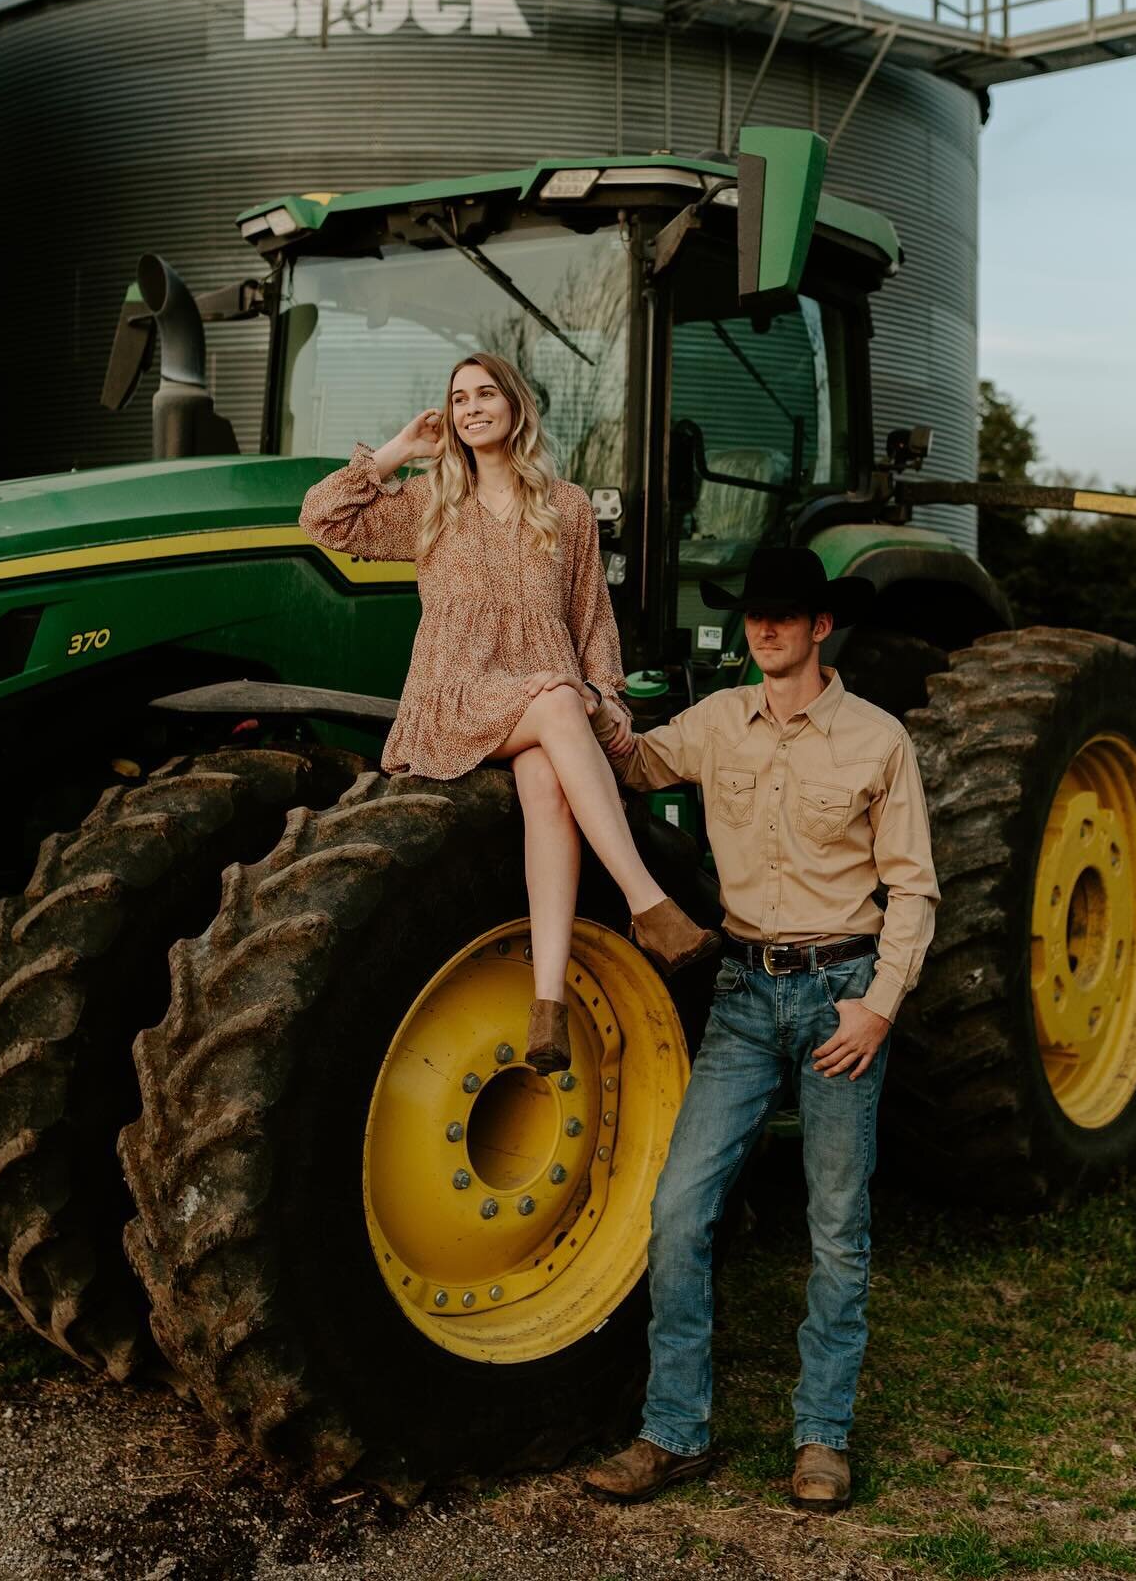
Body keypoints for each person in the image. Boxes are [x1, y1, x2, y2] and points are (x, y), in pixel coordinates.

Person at [581, 546, 938, 1513]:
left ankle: (822, 1438)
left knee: (836, 1226)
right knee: (677, 1212)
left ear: (823, 626)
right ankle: (675, 1431)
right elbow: (630, 757)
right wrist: (565, 693)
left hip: (842, 997)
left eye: (784, 617)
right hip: (743, 994)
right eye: (754, 618)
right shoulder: (714, 726)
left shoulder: (878, 741)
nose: (765, 631)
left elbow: (913, 889)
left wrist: (878, 1007)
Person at [298, 350, 720, 1075]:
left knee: (548, 786)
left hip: (539, 701)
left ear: (515, 406)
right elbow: (322, 520)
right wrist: (401, 448)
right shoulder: (432, 503)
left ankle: (547, 1005)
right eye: (458, 399)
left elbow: (590, 616)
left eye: (485, 393)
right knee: (558, 699)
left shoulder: (569, 506)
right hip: (456, 696)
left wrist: (608, 693)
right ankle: (648, 904)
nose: (470, 408)